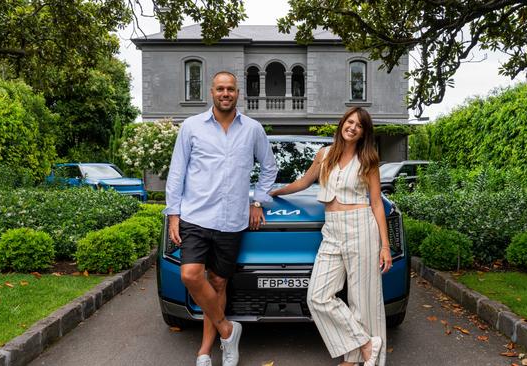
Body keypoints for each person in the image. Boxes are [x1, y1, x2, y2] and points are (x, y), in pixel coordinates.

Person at [163, 71, 277, 366]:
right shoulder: (191, 127)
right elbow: (177, 172)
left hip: (232, 220)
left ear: (238, 93)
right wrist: (173, 215)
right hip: (196, 216)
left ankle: (206, 351)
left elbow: (269, 167)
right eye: (220, 89)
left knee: (218, 284)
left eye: (230, 89)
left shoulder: (252, 129)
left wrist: (257, 201)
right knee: (190, 275)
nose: (225, 93)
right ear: (211, 93)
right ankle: (228, 329)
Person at [270, 107, 392, 366]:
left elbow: (377, 203)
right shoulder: (324, 155)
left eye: (359, 125)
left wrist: (385, 245)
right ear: (342, 124)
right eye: (350, 122)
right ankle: (366, 344)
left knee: (362, 298)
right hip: (332, 229)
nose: (352, 127)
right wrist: (271, 193)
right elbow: (304, 182)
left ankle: (355, 359)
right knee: (318, 296)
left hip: (361, 226)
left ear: (363, 132)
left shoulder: (368, 160)